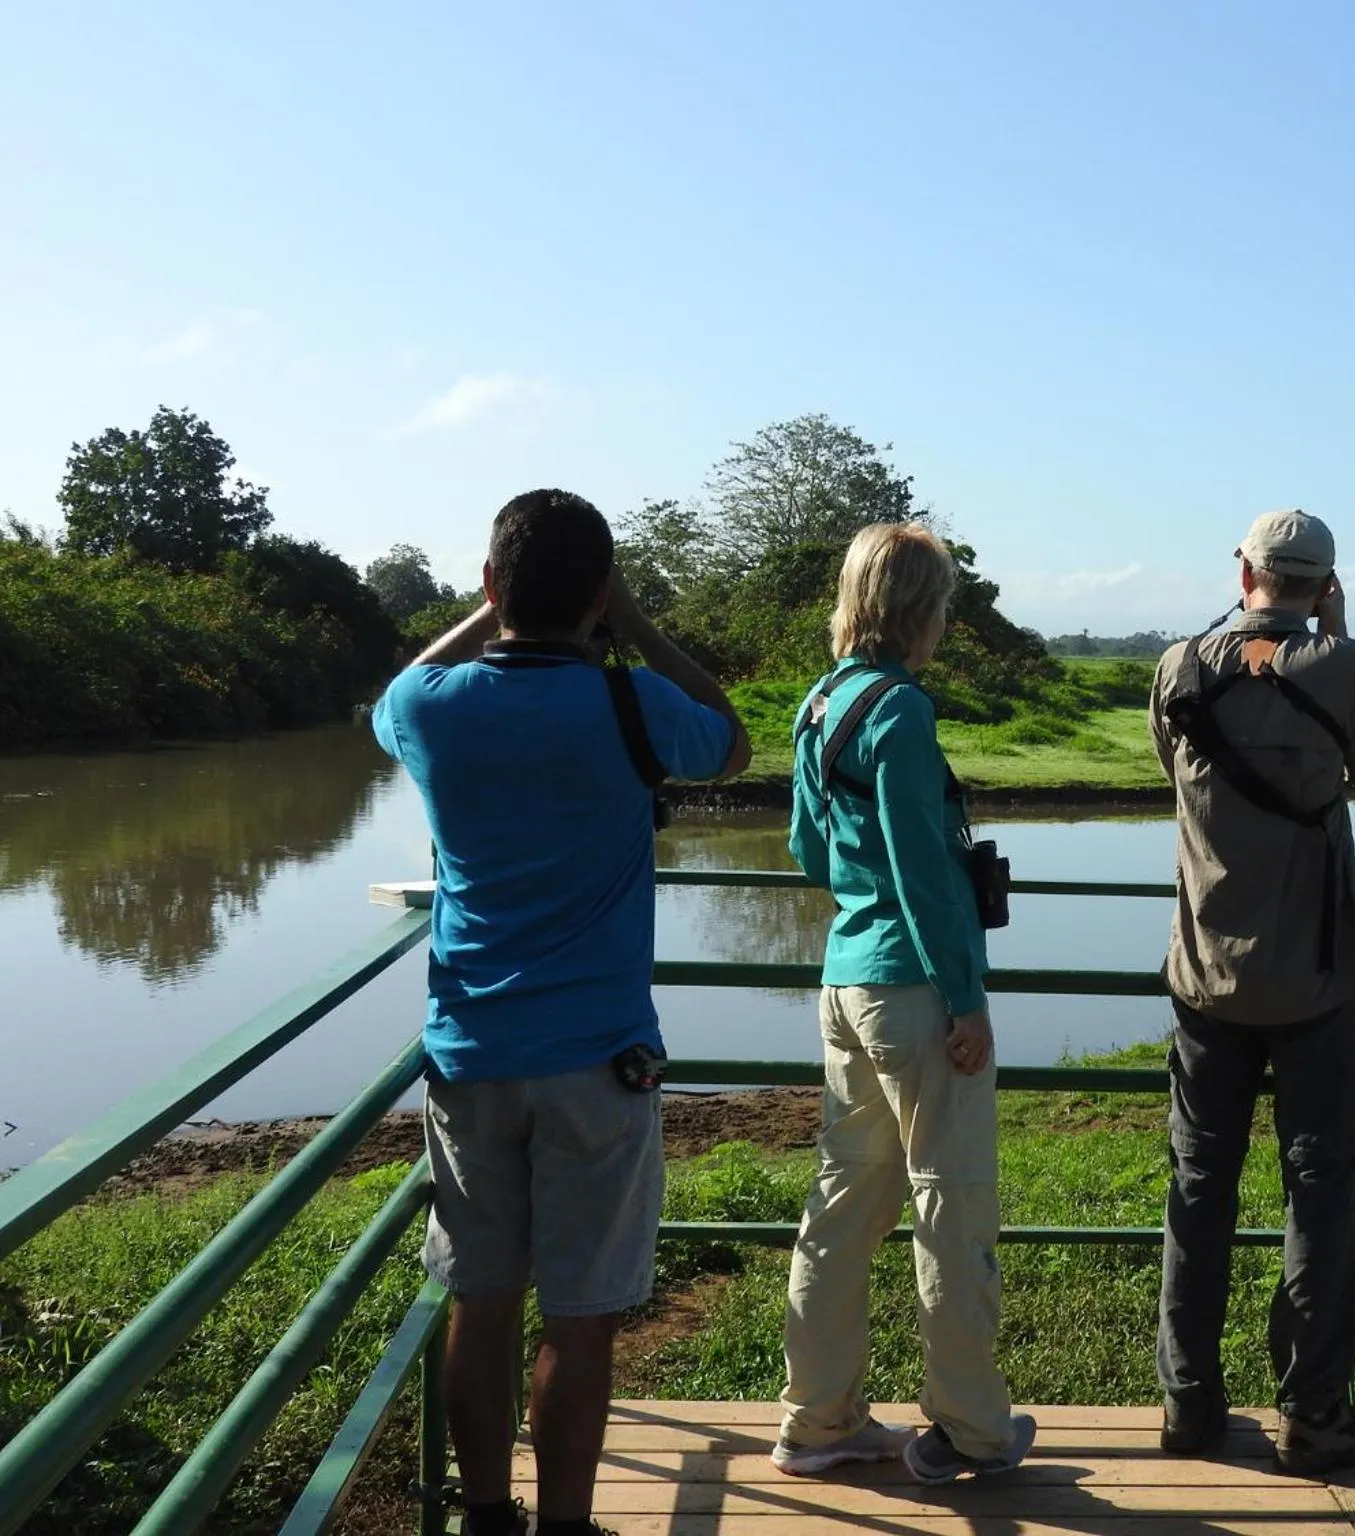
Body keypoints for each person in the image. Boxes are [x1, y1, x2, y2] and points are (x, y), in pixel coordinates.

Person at [373, 489, 751, 1536]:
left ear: (494, 588)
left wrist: (485, 611)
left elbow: (392, 687)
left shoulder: (431, 708)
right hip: (599, 1060)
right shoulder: (632, 707)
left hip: (472, 1053)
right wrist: (629, 624)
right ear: (597, 592)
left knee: (479, 1300)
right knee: (580, 1316)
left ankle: (486, 1516)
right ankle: (566, 1526)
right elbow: (730, 741)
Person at [773, 521, 1035, 1487]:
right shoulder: (902, 712)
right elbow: (927, 873)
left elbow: (808, 846)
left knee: (844, 1204)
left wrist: (863, 890)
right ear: (923, 611)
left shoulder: (820, 703)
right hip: (918, 990)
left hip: (847, 978)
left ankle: (818, 1420)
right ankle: (970, 1430)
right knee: (951, 1203)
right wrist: (966, 1000)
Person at [1148, 509, 1355, 1475]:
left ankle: (1188, 1401)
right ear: (1324, 582)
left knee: (1198, 1188)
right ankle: (1313, 1409)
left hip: (1206, 976)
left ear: (1242, 569)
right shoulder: (1347, 666)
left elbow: (1175, 773)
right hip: (1320, 980)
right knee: (1320, 1191)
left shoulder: (1180, 668)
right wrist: (1333, 638)